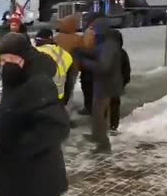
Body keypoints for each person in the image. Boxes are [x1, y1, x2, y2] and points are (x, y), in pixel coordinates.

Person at [0, 33, 69, 196]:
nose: (6, 64)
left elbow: (57, 126)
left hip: (33, 172)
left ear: (25, 57)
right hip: (34, 172)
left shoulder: (37, 83)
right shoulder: (17, 76)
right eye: (3, 59)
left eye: (11, 59)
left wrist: (18, 150)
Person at [78, 18, 123, 154]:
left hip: (106, 86)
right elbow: (97, 53)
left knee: (99, 115)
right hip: (102, 85)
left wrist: (84, 62)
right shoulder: (105, 43)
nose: (92, 33)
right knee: (96, 113)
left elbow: (103, 67)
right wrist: (82, 51)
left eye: (94, 29)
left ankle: (104, 145)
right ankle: (96, 136)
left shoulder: (108, 45)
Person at [35, 29, 75, 103]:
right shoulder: (66, 55)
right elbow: (69, 82)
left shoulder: (34, 53)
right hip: (58, 98)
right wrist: (66, 99)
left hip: (39, 98)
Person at [110, 30, 131, 133]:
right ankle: (114, 125)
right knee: (114, 105)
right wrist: (124, 82)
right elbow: (126, 70)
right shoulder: (122, 53)